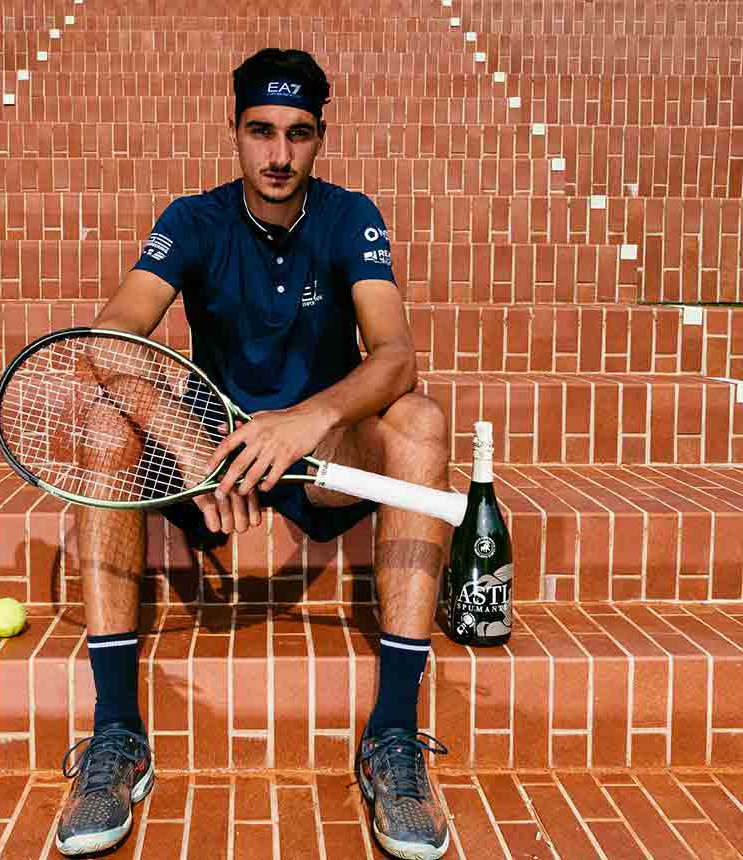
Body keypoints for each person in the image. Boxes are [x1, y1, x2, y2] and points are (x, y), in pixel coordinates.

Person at [55, 48, 455, 860]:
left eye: (298, 133)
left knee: (420, 420)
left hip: (319, 455)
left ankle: (394, 737)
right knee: (103, 424)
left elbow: (395, 356)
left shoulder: (350, 216)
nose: (279, 154)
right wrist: (186, 442)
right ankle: (116, 733)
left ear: (320, 138)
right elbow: (109, 335)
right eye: (261, 131)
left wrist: (307, 419)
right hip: (215, 458)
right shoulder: (192, 220)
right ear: (235, 131)